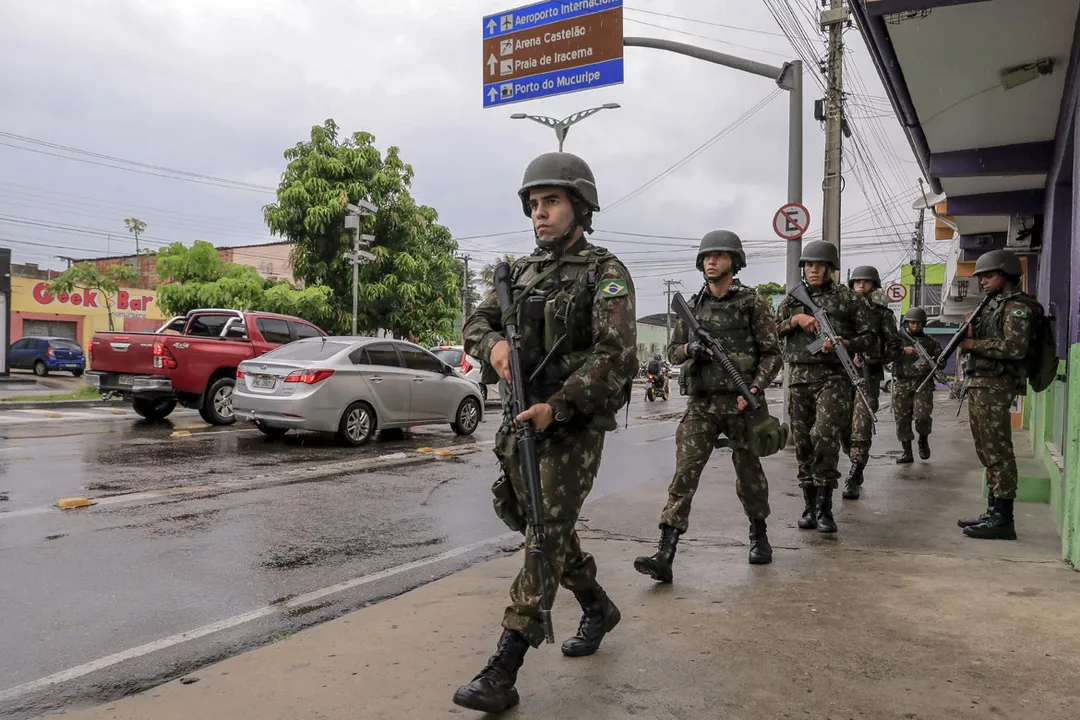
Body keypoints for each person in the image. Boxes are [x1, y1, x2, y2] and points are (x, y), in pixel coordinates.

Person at [455, 151, 637, 713]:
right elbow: (475, 324)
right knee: (539, 522)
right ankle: (598, 605)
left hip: (571, 424)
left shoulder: (606, 272)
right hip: (521, 416)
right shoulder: (522, 271)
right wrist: (498, 347)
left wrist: (557, 408)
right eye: (534, 204)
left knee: (543, 535)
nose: (540, 213)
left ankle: (504, 668)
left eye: (551, 201)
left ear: (579, 207)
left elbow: (616, 354)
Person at [634, 230, 782, 577]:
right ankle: (665, 554)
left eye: (718, 256)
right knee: (684, 474)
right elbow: (672, 352)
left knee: (750, 476)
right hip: (702, 405)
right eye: (706, 257)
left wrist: (756, 389)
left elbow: (772, 352)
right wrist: (690, 350)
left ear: (734, 261)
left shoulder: (751, 302)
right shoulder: (693, 306)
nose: (711, 261)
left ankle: (759, 535)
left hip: (742, 404)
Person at [775, 241, 875, 534]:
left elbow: (870, 337)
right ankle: (808, 504)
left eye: (819, 264)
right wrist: (795, 319)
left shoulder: (848, 299)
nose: (813, 269)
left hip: (833, 377)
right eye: (808, 264)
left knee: (824, 436)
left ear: (831, 268)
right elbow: (770, 330)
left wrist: (844, 342)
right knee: (803, 440)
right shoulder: (792, 300)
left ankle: (825, 507)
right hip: (799, 377)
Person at [956, 249, 1042, 541]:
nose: (983, 282)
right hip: (981, 384)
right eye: (981, 277)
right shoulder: (992, 305)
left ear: (1006, 275)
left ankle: (1004, 519)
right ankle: (993, 509)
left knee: (998, 452)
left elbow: (1014, 348)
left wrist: (972, 344)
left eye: (989, 276)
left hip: (997, 385)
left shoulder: (1018, 306)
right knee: (985, 450)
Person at [841, 265, 901, 499]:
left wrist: (877, 359)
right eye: (857, 282)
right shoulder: (842, 311)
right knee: (843, 430)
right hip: (840, 377)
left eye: (866, 282)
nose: (861, 286)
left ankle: (855, 472)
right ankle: (855, 459)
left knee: (861, 426)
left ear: (874, 286)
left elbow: (895, 346)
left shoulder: (882, 315)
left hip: (868, 377)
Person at [891, 307, 941, 464]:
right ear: (906, 323)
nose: (915, 326)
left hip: (923, 383)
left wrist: (931, 364)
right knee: (901, 419)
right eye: (912, 323)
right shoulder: (897, 340)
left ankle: (923, 439)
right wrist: (903, 351)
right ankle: (907, 452)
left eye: (919, 323)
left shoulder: (932, 342)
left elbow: (940, 362)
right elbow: (885, 355)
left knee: (922, 416)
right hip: (902, 382)